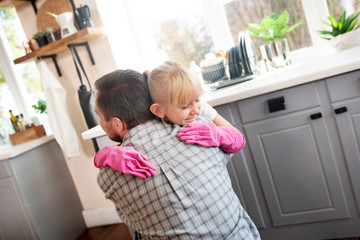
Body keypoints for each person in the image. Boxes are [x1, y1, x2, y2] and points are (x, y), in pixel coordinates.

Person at [94, 69, 260, 239]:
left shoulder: (108, 177)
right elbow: (235, 142)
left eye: (99, 116)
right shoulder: (199, 131)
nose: (194, 109)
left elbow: (130, 219)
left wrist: (102, 157)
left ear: (116, 124)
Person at [94, 61, 246, 177]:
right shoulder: (153, 113)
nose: (195, 110)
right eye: (185, 107)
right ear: (158, 110)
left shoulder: (197, 108)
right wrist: (105, 154)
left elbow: (238, 139)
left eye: (197, 100)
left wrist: (222, 135)